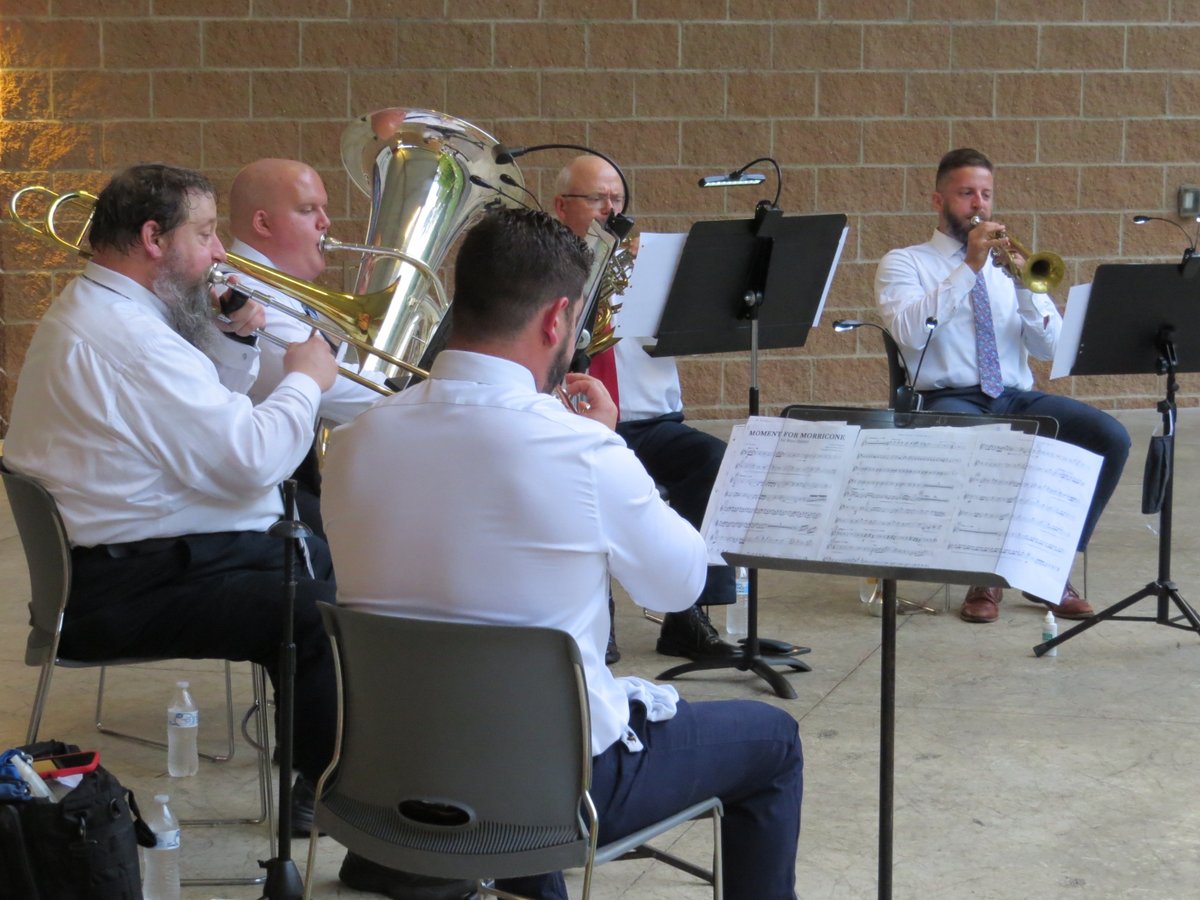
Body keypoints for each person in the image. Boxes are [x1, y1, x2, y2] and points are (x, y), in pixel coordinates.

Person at [321, 207, 804, 900]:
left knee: (508, 716)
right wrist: (617, 450)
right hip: (553, 791)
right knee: (773, 741)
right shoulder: (580, 450)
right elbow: (678, 587)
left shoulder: (360, 439)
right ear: (556, 321)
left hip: (392, 776)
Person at [2, 164, 341, 798]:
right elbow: (249, 460)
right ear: (155, 238)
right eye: (207, 233)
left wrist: (240, 346)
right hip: (122, 586)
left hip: (117, 562)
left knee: (311, 547)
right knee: (314, 607)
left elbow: (204, 429)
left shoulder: (107, 309)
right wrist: (305, 380)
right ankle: (324, 792)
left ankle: (323, 760)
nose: (219, 251)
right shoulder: (129, 339)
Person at [876, 147, 1131, 623]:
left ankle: (1047, 565)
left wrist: (1024, 288)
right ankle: (987, 576)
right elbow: (910, 332)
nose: (979, 204)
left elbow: (1052, 348)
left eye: (986, 194)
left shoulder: (1008, 267)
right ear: (938, 200)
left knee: (1108, 436)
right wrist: (968, 267)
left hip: (1014, 393)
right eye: (966, 193)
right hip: (946, 397)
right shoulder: (905, 263)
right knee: (995, 447)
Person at [554, 154, 738, 663]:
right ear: (561, 206)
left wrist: (674, 290)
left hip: (651, 422)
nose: (610, 210)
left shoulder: (647, 264)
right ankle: (598, 619)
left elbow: (691, 333)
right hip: (573, 421)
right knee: (578, 491)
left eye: (616, 199)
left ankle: (688, 615)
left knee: (714, 462)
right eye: (596, 199)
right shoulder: (544, 269)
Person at [227, 158, 386, 533]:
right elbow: (337, 388)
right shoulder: (244, 292)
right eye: (307, 209)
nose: (325, 222)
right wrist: (426, 391)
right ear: (262, 223)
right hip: (259, 506)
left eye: (324, 208)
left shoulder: (287, 291)